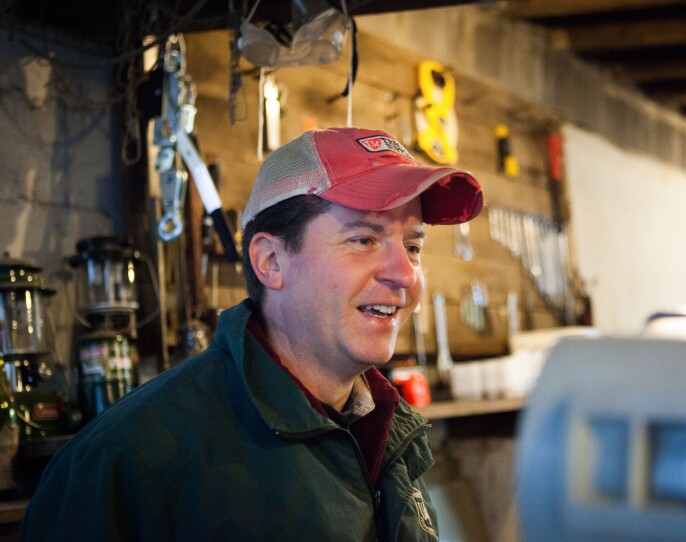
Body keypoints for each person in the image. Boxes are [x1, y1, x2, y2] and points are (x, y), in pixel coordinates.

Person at [20, 127, 483, 541]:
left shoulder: (388, 431)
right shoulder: (124, 463)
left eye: (414, 246)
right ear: (270, 262)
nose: (405, 274)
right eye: (363, 239)